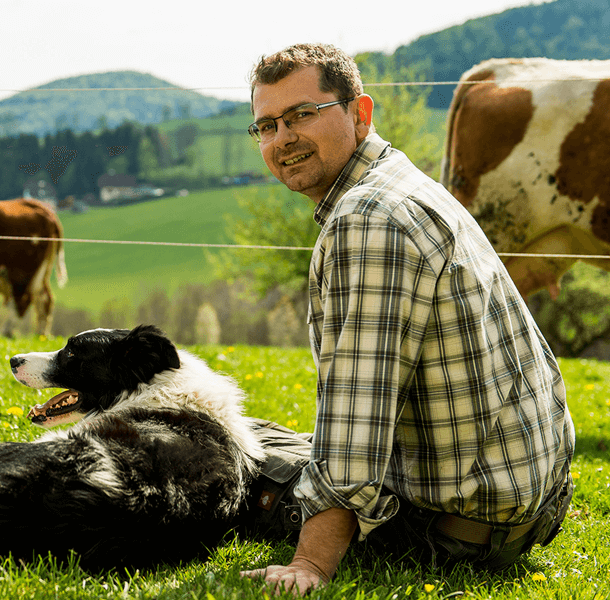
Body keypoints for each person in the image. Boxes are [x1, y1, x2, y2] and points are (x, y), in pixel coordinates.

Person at [237, 43, 575, 596]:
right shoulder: (398, 181)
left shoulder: (368, 219)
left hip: (460, 530)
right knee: (260, 437)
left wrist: (311, 563)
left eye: (301, 115)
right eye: (267, 126)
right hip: (528, 500)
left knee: (238, 464)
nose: (283, 139)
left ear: (359, 112)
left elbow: (356, 418)